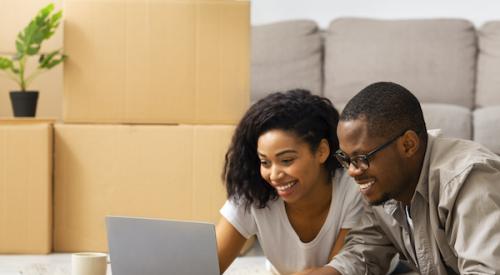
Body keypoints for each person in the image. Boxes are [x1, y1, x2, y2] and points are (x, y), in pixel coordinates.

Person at [309, 82, 500, 275]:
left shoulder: (468, 180)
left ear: (408, 145)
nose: (352, 171)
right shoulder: (386, 186)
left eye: (361, 158)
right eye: (346, 159)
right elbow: (363, 253)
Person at [216, 89, 363, 274]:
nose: (274, 174)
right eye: (265, 162)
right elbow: (205, 267)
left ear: (321, 151)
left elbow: (339, 270)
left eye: (286, 160)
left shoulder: (353, 189)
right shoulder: (253, 192)